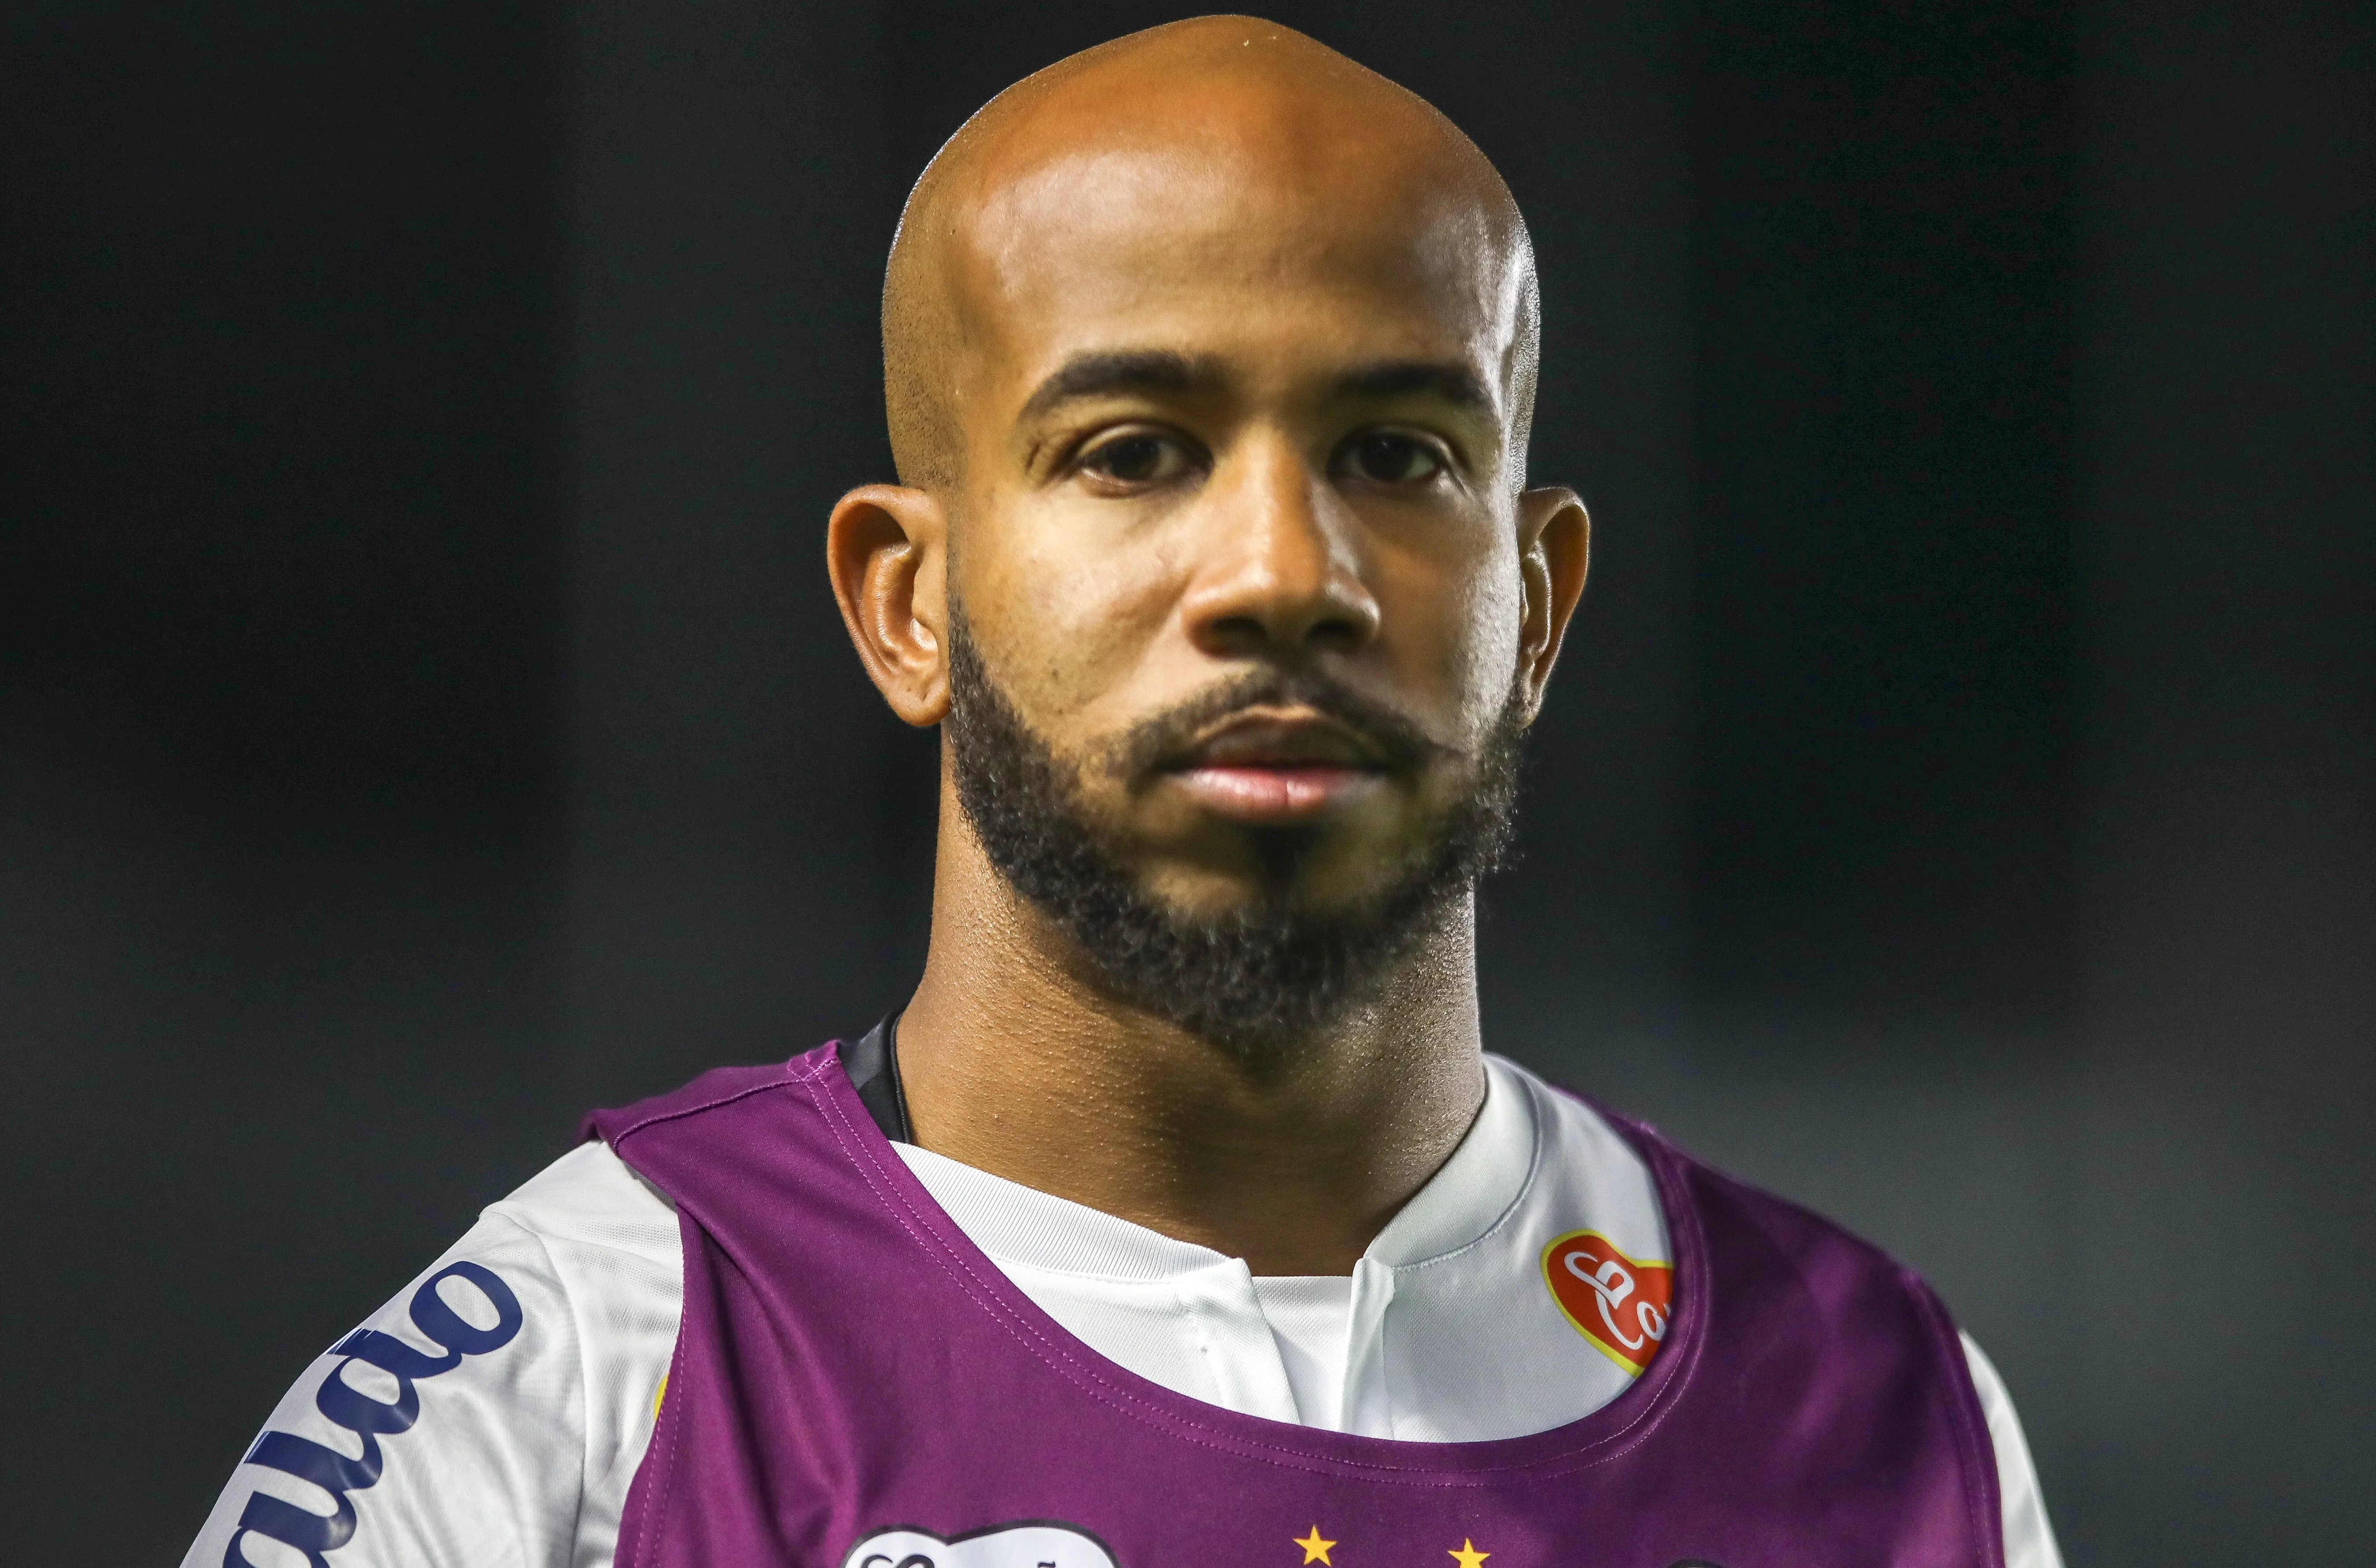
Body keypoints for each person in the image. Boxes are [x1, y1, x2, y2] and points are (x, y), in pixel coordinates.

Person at [187, 17, 2060, 1568]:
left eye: (1396, 452)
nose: (1277, 573)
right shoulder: (570, 1398)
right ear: (905, 602)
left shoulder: (1888, 1422)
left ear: (1540, 603)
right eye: (1135, 451)